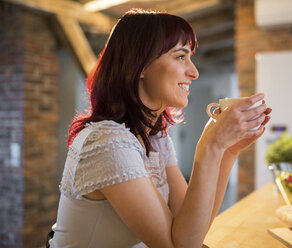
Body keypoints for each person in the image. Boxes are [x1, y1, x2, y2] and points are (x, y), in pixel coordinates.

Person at [49, 8, 271, 248]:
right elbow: (178, 246)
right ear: (140, 65)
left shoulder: (156, 138)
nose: (194, 72)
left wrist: (229, 150)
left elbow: (192, 229)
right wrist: (211, 146)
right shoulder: (106, 143)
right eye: (180, 56)